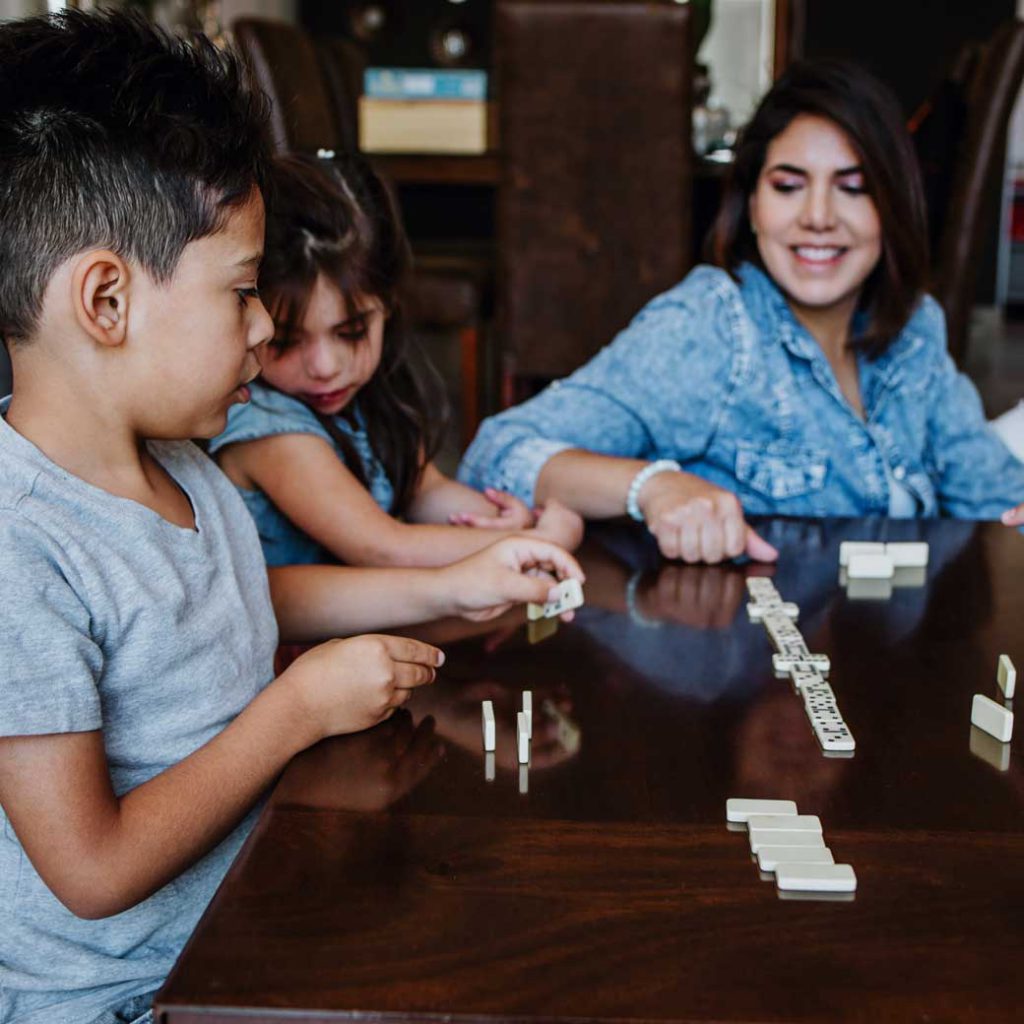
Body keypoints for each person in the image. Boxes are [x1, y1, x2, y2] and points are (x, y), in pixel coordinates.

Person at [0, 12, 582, 1024]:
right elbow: (89, 868)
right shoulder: (22, 541)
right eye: (242, 292)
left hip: (250, 924)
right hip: (128, 1001)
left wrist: (455, 590)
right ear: (105, 300)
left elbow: (244, 604)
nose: (268, 326)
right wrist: (296, 711)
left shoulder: (185, 465)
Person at [459, 59, 1024, 562]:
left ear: (891, 207)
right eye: (788, 186)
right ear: (752, 204)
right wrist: (652, 487)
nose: (819, 216)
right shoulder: (710, 328)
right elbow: (497, 455)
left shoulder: (913, 327)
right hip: (757, 665)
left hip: (891, 662)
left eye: (853, 188)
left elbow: (990, 498)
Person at [209, 153, 583, 568]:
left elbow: (426, 491)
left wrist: (501, 520)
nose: (325, 365)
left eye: (351, 332)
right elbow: (382, 547)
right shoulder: (268, 426)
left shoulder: (369, 396)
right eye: (285, 341)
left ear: (387, 306)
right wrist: (539, 539)